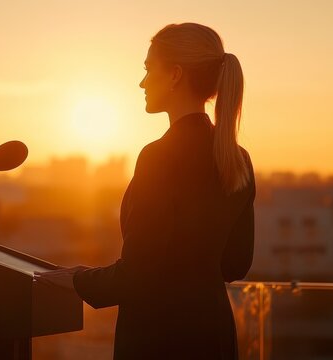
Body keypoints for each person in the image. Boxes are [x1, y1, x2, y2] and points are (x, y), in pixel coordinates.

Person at [34, 22, 255, 360]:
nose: (142, 82)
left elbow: (136, 275)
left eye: (149, 68)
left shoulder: (160, 156)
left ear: (175, 75)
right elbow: (236, 265)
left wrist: (75, 279)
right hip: (214, 336)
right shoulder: (238, 159)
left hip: (159, 339)